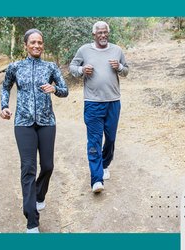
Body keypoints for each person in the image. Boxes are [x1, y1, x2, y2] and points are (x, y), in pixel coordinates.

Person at [0, 29, 68, 233]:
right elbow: (5, 87)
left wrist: (54, 89)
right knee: (28, 169)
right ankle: (32, 221)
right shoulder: (15, 67)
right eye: (33, 42)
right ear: (26, 45)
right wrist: (4, 106)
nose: (37, 45)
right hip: (23, 123)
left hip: (47, 122)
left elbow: (65, 90)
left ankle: (39, 195)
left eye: (40, 42)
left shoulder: (50, 67)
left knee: (47, 166)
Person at [69, 21, 129, 193]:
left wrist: (120, 67)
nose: (103, 35)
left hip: (113, 101)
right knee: (94, 140)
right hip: (93, 103)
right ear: (93, 35)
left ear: (108, 33)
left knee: (110, 139)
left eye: (105, 32)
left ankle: (105, 164)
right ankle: (96, 179)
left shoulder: (117, 50)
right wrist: (81, 70)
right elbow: (73, 67)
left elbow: (127, 71)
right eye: (99, 33)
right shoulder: (84, 50)